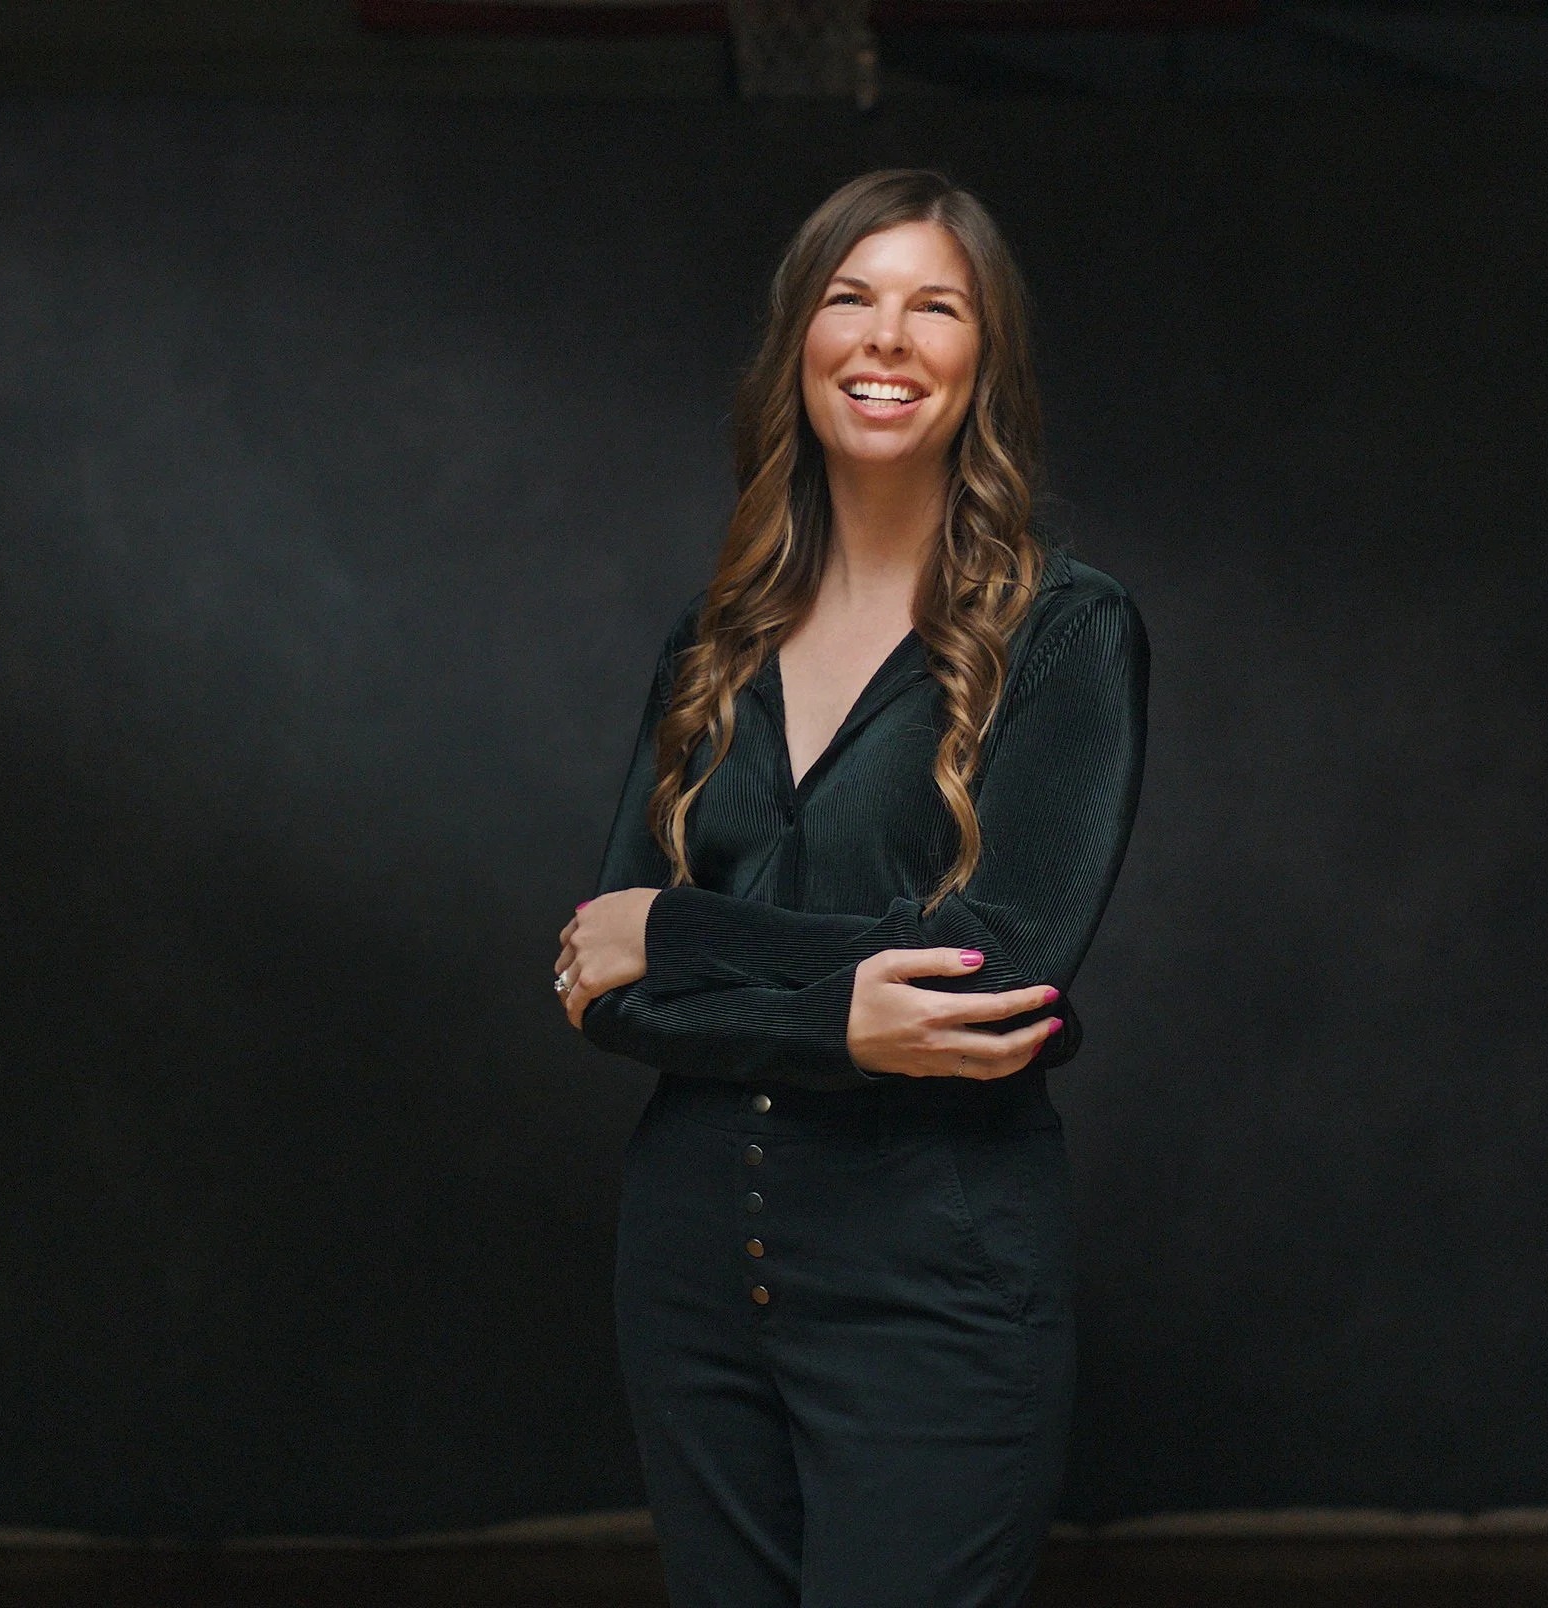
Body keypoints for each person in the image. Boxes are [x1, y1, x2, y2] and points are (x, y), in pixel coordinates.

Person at [553, 168, 1148, 1608]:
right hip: (689, 1281)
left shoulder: (1069, 633)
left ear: (982, 361)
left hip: (934, 1290)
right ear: (798, 346)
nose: (886, 338)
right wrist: (838, 1013)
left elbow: (990, 976)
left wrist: (682, 932)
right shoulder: (712, 641)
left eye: (933, 306)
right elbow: (595, 981)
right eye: (850, 298)